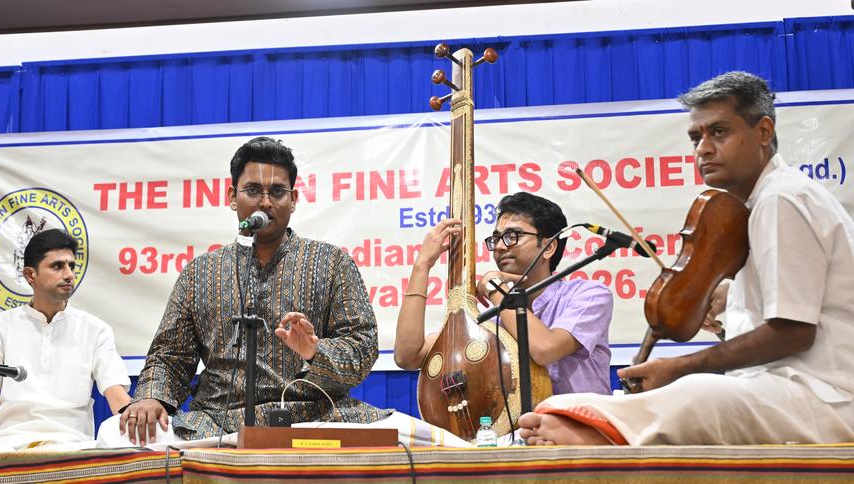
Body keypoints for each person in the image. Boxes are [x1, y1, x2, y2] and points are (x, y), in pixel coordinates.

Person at [518, 71, 854, 445]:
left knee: (697, 392)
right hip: (784, 392)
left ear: (763, 131)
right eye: (697, 137)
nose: (703, 149)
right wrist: (733, 303)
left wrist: (679, 367)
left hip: (826, 398)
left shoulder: (781, 198)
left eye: (719, 132)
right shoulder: (763, 203)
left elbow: (794, 332)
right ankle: (603, 423)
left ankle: (606, 432)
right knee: (691, 394)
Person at [98, 136, 463, 448]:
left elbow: (362, 349)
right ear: (232, 196)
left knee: (424, 438)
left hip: (316, 417)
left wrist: (316, 351)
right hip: (216, 423)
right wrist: (150, 397)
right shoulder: (200, 273)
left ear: (293, 199)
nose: (266, 203)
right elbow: (169, 356)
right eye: (253, 191)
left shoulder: (331, 261)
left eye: (277, 192)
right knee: (115, 433)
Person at [395, 193, 614, 396]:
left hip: (581, 433)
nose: (499, 247)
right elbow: (408, 356)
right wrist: (422, 265)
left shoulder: (589, 295)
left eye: (512, 236)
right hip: (518, 435)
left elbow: (545, 349)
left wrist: (494, 286)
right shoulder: (491, 319)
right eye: (496, 239)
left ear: (548, 247)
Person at [0, 229, 131, 451]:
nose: (69, 274)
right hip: (7, 444)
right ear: (31, 275)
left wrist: (137, 419)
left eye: (71, 266)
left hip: (71, 446)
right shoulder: (0, 327)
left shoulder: (95, 330)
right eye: (57, 266)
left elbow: (116, 394)